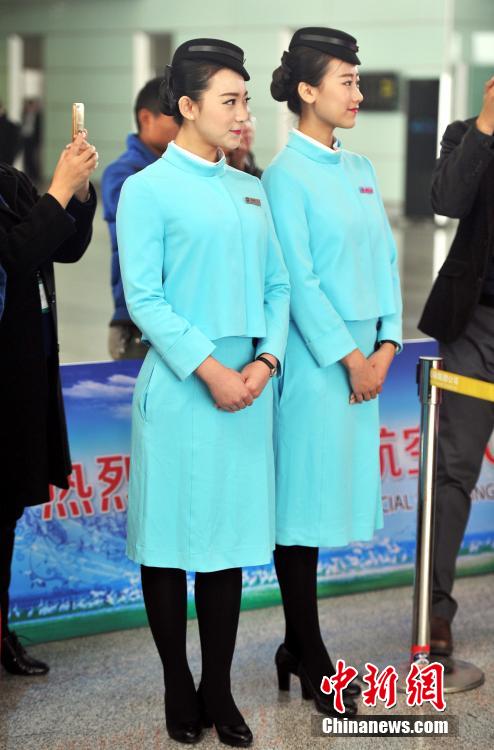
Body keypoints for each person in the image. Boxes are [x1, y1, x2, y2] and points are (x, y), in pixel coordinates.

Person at [116, 39, 290, 746]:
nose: (244, 114)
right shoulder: (148, 189)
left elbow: (277, 286)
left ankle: (218, 688)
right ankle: (176, 683)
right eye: (231, 100)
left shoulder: (250, 187)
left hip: (248, 389)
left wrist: (267, 361)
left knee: (227, 547)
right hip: (186, 388)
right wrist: (211, 369)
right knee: (168, 543)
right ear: (186, 107)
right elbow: (145, 299)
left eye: (245, 100)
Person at [262, 27, 402, 717]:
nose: (357, 92)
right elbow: (298, 279)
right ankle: (308, 652)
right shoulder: (283, 178)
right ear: (308, 90)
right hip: (320, 371)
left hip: (365, 368)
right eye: (345, 80)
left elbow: (386, 262)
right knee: (302, 513)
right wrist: (348, 358)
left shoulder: (363, 168)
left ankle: (297, 645)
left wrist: (385, 347)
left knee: (326, 507)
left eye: (357, 78)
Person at [0, 132, 98, 675]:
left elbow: (62, 245)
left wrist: (77, 194)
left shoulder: (9, 181)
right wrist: (58, 191)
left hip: (21, 379)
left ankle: (2, 632)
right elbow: (13, 256)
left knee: (6, 513)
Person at [418, 76, 494, 656]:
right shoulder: (466, 135)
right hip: (477, 328)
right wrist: (487, 125)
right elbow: (445, 202)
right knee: (453, 473)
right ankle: (434, 612)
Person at [102, 77, 178, 360]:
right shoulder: (123, 174)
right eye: (176, 119)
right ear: (146, 118)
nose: (184, 128)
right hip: (135, 325)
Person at [21, 98, 42, 184]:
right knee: (26, 157)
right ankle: (27, 174)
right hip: (25, 138)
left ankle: (35, 176)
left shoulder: (38, 116)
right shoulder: (24, 114)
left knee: (33, 157)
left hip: (33, 139)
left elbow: (38, 130)